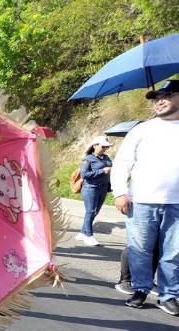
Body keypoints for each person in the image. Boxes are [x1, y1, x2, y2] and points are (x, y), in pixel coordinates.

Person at [111, 80, 179, 315]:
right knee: (140, 249)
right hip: (142, 200)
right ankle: (140, 288)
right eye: (156, 97)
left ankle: (169, 295)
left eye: (166, 95)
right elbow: (122, 163)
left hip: (177, 203)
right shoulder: (142, 129)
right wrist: (120, 192)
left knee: (174, 251)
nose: (159, 101)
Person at [75, 136, 112, 246]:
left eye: (106, 147)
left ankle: (82, 232)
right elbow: (84, 174)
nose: (105, 148)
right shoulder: (88, 159)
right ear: (95, 145)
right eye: (103, 146)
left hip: (103, 188)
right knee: (90, 211)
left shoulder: (106, 157)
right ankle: (89, 235)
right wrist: (102, 171)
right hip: (91, 188)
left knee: (95, 212)